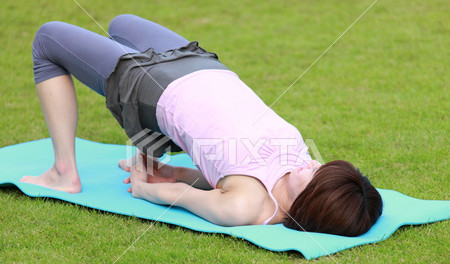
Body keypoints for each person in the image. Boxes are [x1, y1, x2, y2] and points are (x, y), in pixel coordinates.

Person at [21, 14, 382, 236]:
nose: (314, 163)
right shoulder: (294, 170)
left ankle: (64, 173)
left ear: (311, 202)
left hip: (155, 88)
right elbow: (223, 175)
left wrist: (149, 185)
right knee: (121, 24)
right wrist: (170, 171)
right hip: (202, 68)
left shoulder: (246, 208)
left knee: (48, 38)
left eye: (318, 175)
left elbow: (179, 198)